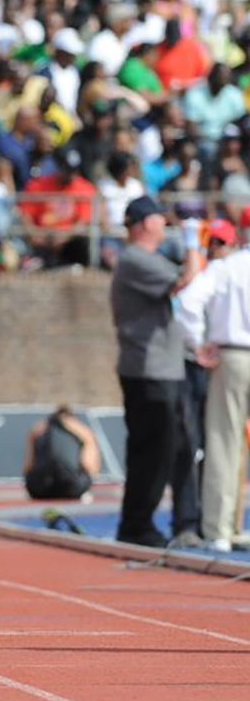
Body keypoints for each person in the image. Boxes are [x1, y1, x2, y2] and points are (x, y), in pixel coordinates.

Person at [111, 196, 202, 547]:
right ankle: (136, 524)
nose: (164, 223)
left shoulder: (147, 259)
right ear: (143, 222)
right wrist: (193, 241)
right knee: (153, 450)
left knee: (175, 447)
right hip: (148, 370)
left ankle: (170, 522)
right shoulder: (135, 258)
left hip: (165, 367)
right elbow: (186, 278)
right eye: (158, 218)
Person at [178, 220, 250, 547]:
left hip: (233, 357)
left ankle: (220, 532)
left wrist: (197, 343)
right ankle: (231, 527)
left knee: (224, 442)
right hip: (233, 353)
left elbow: (189, 301)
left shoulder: (228, 267)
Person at [25, 407, 100, 502]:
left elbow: (28, 466)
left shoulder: (38, 430)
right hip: (71, 488)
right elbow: (87, 464)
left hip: (39, 489)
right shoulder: (81, 431)